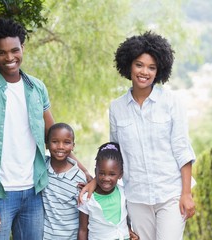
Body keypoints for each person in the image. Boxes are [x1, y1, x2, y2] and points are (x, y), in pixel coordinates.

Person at [0, 18, 90, 239]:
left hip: (34, 193)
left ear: (23, 48)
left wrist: (84, 172)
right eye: (2, 52)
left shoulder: (37, 88)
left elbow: (55, 137)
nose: (9, 58)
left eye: (14, 50)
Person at [81, 31, 196, 240]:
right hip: (136, 198)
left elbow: (182, 149)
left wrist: (186, 193)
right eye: (139, 65)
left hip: (170, 193)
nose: (145, 72)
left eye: (152, 67)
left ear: (159, 70)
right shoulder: (116, 108)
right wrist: (94, 181)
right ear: (129, 66)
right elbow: (114, 154)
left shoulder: (172, 102)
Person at [77, 142, 139, 240]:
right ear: (95, 172)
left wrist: (129, 231)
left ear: (120, 174)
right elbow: (83, 230)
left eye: (112, 174)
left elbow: (124, 220)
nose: (106, 178)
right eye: (101, 173)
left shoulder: (123, 193)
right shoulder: (86, 198)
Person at [42, 123, 87, 239]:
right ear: (47, 145)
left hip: (70, 237)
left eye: (66, 142)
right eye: (55, 141)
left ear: (73, 146)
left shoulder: (79, 179)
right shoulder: (42, 167)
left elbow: (84, 215)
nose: (60, 146)